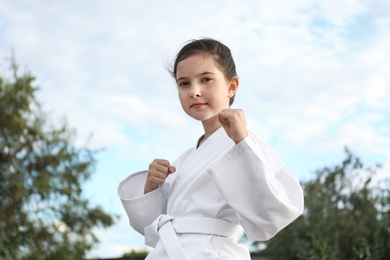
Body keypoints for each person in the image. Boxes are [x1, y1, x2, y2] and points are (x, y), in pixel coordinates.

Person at [118, 38, 304, 260]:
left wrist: (242, 143)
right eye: (184, 83)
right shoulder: (184, 159)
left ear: (231, 86)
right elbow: (151, 228)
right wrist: (151, 188)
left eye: (206, 79)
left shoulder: (245, 143)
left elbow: (272, 215)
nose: (194, 91)